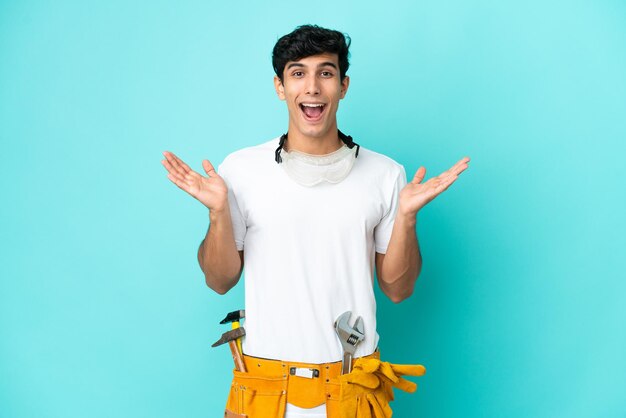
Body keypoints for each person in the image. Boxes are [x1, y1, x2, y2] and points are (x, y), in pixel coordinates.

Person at [162, 24, 469, 418]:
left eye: (325, 73)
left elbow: (398, 289)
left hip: (351, 387)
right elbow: (219, 280)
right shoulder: (240, 170)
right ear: (280, 86)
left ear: (343, 85)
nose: (312, 87)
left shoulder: (385, 174)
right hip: (264, 388)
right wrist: (218, 212)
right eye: (298, 73)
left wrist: (406, 218)